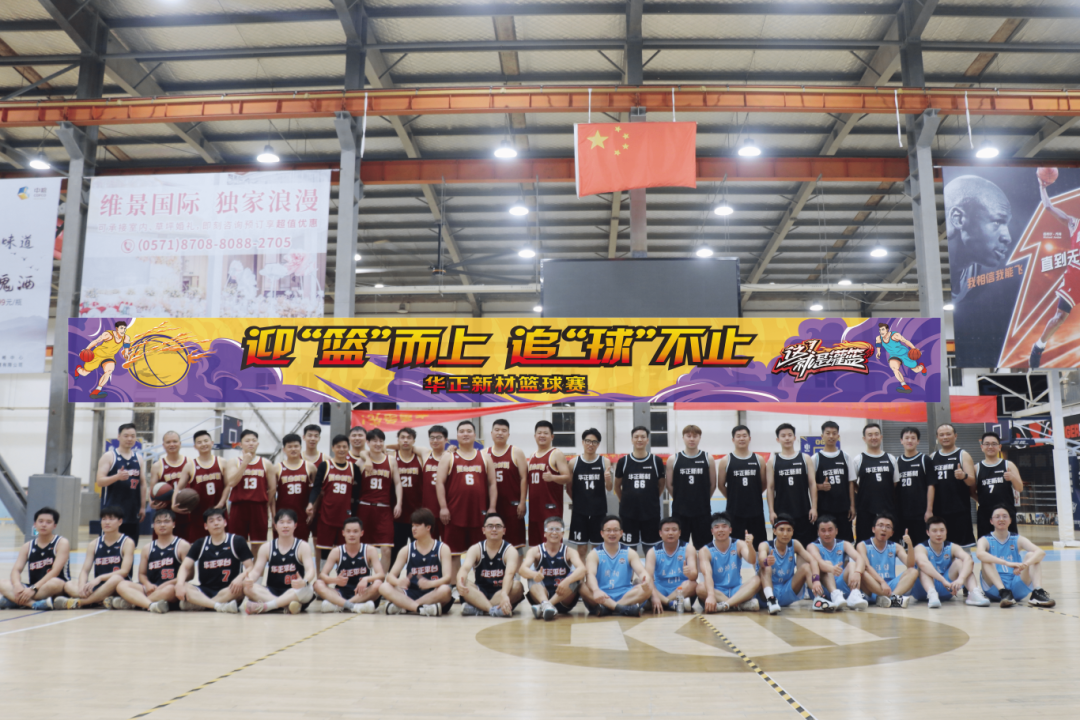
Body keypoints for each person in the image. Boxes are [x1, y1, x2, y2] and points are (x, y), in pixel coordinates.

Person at [436, 421, 497, 581]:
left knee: (480, 552)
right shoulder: (448, 456)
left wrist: (492, 508)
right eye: (462, 431)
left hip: (479, 512)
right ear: (457, 436)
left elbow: (492, 484)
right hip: (454, 513)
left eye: (469, 431)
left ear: (475, 435)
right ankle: (455, 586)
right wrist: (443, 507)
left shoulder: (485, 457)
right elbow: (439, 483)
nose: (465, 434)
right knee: (453, 553)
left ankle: (481, 585)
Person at [1030, 173, 1077, 368]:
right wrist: (1042, 187)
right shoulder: (1074, 222)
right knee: (1059, 318)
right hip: (1076, 275)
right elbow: (1048, 207)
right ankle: (1038, 346)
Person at [944, 174, 1013, 306]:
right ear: (958, 219)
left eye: (1006, 224)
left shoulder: (979, 275)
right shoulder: (925, 266)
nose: (1007, 238)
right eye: (997, 222)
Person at [175, 507, 254, 613]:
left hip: (229, 590)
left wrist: (240, 578)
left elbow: (250, 567)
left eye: (219, 519)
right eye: (211, 521)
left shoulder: (237, 541)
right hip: (204, 590)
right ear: (205, 526)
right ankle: (217, 606)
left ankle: (202, 604)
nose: (216, 523)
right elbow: (185, 567)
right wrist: (179, 584)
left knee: (243, 587)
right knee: (184, 585)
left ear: (225, 522)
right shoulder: (200, 543)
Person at [379, 508, 454, 616]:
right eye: (413, 526)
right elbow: (390, 577)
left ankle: (406, 607)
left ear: (428, 527)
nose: (413, 529)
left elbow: (447, 578)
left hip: (433, 592)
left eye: (417, 526)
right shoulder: (406, 550)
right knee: (384, 587)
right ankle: (420, 609)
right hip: (411, 592)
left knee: (445, 590)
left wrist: (430, 584)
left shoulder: (442, 548)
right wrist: (398, 582)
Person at [975, 505, 1055, 608]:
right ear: (991, 521)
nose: (1001, 519)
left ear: (1010, 520)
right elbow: (979, 554)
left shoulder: (1017, 538)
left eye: (1005, 516)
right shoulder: (985, 539)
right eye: (997, 517)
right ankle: (1003, 592)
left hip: (1016, 585)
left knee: (1032, 555)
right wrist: (1006, 563)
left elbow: (1040, 552)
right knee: (986, 558)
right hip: (994, 587)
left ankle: (1037, 592)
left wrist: (1024, 565)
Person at [113, 509, 190, 613]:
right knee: (122, 585)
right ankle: (150, 604)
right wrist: (147, 584)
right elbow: (141, 574)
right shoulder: (147, 548)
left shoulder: (182, 545)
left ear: (173, 524)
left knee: (170, 590)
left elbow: (189, 574)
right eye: (158, 522)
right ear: (153, 525)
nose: (162, 525)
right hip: (150, 589)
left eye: (166, 521)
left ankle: (135, 603)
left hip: (170, 588)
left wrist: (166, 584)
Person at [243, 509, 317, 615]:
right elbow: (256, 571)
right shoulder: (266, 547)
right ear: (275, 526)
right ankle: (285, 606)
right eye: (281, 522)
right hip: (272, 592)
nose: (285, 526)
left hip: (294, 591)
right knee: (247, 588)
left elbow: (310, 570)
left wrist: (304, 581)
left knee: (308, 588)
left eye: (289, 522)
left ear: (295, 525)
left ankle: (268, 606)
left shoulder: (303, 546)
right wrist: (250, 579)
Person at [62, 505, 134, 609]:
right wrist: (82, 587)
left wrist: (100, 578)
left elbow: (124, 572)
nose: (107, 522)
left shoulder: (127, 542)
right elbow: (85, 570)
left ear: (120, 521)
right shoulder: (94, 544)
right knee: (69, 585)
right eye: (104, 519)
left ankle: (82, 602)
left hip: (118, 585)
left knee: (116, 578)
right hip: (99, 586)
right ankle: (98, 600)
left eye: (111, 519)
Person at [0, 507, 71, 611]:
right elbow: (16, 570)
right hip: (34, 588)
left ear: (54, 525)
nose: (44, 525)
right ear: (35, 524)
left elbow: (55, 571)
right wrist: (17, 586)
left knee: (55, 583)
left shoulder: (61, 543)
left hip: (53, 587)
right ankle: (34, 604)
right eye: (40, 521)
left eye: (48, 522)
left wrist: (33, 589)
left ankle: (15, 601)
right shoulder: (27, 546)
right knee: (2, 583)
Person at [581, 515, 651, 617]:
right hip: (601, 595)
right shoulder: (594, 554)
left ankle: (610, 608)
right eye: (608, 530)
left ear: (621, 533)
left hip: (625, 595)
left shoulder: (630, 553)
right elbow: (590, 575)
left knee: (648, 588)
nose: (612, 533)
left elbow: (642, 572)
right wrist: (596, 590)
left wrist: (646, 580)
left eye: (615, 530)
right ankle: (622, 609)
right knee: (581, 586)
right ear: (602, 533)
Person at [456, 511, 524, 617]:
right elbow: (464, 569)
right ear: (483, 530)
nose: (494, 529)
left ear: (504, 530)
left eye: (498, 526)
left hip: (502, 591)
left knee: (518, 586)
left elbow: (509, 575)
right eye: (490, 526)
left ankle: (479, 609)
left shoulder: (510, 550)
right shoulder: (476, 549)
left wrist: (504, 594)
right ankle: (492, 610)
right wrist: (460, 582)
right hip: (479, 592)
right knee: (462, 581)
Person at [519, 515, 586, 620]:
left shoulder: (570, 551)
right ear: (544, 533)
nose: (554, 533)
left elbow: (582, 570)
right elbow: (522, 569)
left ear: (562, 533)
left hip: (563, 598)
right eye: (551, 529)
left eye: (558, 529)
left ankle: (546, 606)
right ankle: (546, 604)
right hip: (541, 596)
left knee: (575, 577)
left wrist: (567, 580)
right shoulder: (535, 551)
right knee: (532, 577)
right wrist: (534, 574)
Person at [913, 516, 989, 608]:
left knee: (961, 562)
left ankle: (974, 593)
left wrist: (960, 579)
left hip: (947, 588)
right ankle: (932, 594)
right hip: (923, 591)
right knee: (922, 568)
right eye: (934, 531)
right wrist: (943, 580)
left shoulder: (952, 547)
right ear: (927, 532)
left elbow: (969, 560)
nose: (939, 534)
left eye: (942, 530)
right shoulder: (920, 548)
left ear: (946, 531)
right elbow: (922, 564)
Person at [309, 434, 362, 562]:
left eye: (344, 447)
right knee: (324, 551)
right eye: (338, 447)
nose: (341, 449)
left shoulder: (353, 468)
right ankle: (323, 575)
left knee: (344, 551)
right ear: (333, 448)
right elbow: (316, 488)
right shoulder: (325, 465)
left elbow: (358, 492)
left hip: (345, 516)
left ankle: (342, 574)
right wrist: (310, 503)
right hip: (326, 515)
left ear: (348, 448)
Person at [223, 429, 278, 553]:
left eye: (254, 440)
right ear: (240, 444)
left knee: (258, 543)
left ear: (258, 443)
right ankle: (239, 566)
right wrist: (245, 463)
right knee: (237, 542)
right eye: (247, 441)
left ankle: (256, 566)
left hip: (259, 507)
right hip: (239, 506)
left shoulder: (266, 463)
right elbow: (231, 482)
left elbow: (272, 488)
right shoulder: (233, 462)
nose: (251, 443)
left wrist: (265, 504)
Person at [313, 516, 383, 614]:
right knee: (317, 584)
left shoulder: (370, 550)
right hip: (341, 593)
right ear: (343, 533)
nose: (352, 534)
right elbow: (322, 575)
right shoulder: (336, 551)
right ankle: (353, 606)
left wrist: (366, 579)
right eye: (348, 531)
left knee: (379, 584)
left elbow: (381, 574)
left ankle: (341, 605)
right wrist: (335, 580)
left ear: (362, 533)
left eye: (355, 531)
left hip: (363, 593)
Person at [613, 426, 665, 551]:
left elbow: (661, 485)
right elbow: (617, 486)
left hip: (651, 513)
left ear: (647, 440)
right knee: (628, 549)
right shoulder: (623, 461)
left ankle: (650, 567)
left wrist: (651, 499)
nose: (639, 439)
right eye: (636, 437)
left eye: (643, 437)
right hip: (628, 513)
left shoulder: (656, 461)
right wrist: (624, 500)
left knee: (652, 549)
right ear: (632, 440)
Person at [697, 512, 760, 613]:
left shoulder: (739, 544)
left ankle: (725, 605)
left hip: (736, 590)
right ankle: (738, 605)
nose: (720, 530)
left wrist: (750, 546)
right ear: (712, 531)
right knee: (700, 587)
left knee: (757, 580)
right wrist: (711, 595)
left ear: (730, 530)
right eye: (716, 527)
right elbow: (707, 574)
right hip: (717, 591)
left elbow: (751, 560)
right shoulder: (705, 550)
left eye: (724, 526)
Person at [766, 423, 818, 546]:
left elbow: (812, 484)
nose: (787, 438)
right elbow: (770, 488)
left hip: (803, 511)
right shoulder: (773, 461)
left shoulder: (805, 458)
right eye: (783, 436)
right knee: (781, 548)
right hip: (781, 512)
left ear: (795, 438)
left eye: (790, 435)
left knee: (806, 548)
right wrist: (771, 511)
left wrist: (814, 507)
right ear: (778, 439)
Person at [358, 428, 402, 571]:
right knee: (364, 549)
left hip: (384, 508)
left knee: (386, 549)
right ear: (368, 442)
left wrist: (399, 503)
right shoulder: (360, 462)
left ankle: (380, 581)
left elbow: (397, 483)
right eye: (374, 441)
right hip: (364, 507)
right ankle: (364, 578)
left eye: (381, 441)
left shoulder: (391, 460)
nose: (378, 444)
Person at [717, 425, 767, 549]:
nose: (741, 439)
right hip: (734, 512)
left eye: (744, 436)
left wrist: (753, 495)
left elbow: (764, 483)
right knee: (735, 548)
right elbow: (721, 485)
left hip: (756, 511)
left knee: (759, 547)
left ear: (749, 438)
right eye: (738, 436)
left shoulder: (759, 459)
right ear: (733, 439)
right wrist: (733, 497)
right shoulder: (726, 460)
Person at [95, 423, 147, 544]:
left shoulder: (139, 458)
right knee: (110, 545)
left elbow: (143, 484)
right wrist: (117, 477)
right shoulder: (109, 456)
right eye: (126, 435)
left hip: (133, 510)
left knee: (131, 546)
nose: (129, 439)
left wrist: (143, 506)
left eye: (133, 436)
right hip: (112, 511)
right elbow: (100, 481)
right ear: (118, 437)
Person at [666, 425, 717, 548]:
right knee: (679, 547)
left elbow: (713, 485)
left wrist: (703, 499)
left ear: (700, 438)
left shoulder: (708, 458)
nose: (692, 439)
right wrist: (680, 498)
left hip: (702, 511)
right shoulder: (673, 459)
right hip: (680, 511)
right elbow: (669, 485)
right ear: (683, 437)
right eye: (688, 436)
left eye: (695, 436)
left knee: (704, 548)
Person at [757, 515, 819, 614]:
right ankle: (771, 600)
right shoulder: (765, 545)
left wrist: (816, 580)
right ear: (774, 531)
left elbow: (813, 561)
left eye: (789, 530)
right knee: (766, 567)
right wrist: (766, 561)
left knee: (806, 567)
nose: (785, 534)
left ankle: (819, 599)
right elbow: (761, 560)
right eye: (781, 530)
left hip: (786, 590)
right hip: (767, 593)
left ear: (792, 532)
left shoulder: (794, 544)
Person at [929, 423, 977, 547]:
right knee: (940, 547)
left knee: (963, 548)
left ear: (955, 436)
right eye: (941, 435)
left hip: (959, 512)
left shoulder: (963, 455)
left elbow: (972, 481)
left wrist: (964, 476)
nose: (945, 437)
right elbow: (930, 486)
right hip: (939, 512)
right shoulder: (932, 457)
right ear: (937, 437)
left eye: (948, 434)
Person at [856, 513, 917, 609]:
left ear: (892, 533)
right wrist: (882, 582)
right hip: (872, 586)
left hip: (890, 586)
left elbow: (910, 565)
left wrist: (909, 545)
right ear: (873, 529)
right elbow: (866, 566)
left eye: (888, 527)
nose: (884, 529)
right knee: (862, 572)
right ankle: (891, 598)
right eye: (880, 525)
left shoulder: (896, 546)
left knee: (913, 571)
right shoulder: (862, 545)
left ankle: (891, 598)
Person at [174, 429, 226, 544]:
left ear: (212, 443)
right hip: (198, 515)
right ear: (195, 446)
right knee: (197, 547)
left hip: (219, 512)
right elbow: (179, 488)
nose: (203, 444)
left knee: (221, 545)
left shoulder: (222, 462)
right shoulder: (190, 465)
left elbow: (228, 486)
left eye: (206, 441)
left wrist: (221, 503)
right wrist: (174, 504)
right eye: (199, 442)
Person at [807, 515, 868, 610]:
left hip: (840, 585)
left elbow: (860, 559)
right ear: (818, 532)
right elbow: (819, 563)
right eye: (823, 530)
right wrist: (831, 569)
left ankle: (854, 594)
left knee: (852, 564)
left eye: (830, 530)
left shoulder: (844, 544)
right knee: (827, 563)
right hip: (822, 587)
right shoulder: (812, 546)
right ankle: (834, 594)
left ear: (836, 531)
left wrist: (857, 572)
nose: (827, 534)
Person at [526, 420, 572, 546]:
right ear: (535, 436)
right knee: (535, 546)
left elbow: (567, 477)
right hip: (534, 509)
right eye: (539, 433)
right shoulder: (532, 455)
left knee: (552, 545)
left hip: (550, 508)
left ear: (552, 436)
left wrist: (553, 477)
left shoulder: (556, 454)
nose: (542, 435)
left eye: (545, 433)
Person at [567, 428, 612, 555]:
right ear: (583, 442)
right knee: (581, 549)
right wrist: (579, 501)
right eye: (588, 441)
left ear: (598, 444)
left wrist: (608, 479)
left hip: (598, 511)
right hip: (579, 512)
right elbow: (569, 488)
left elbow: (609, 488)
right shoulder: (574, 462)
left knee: (597, 548)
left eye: (594, 442)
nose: (590, 444)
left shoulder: (604, 461)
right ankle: (581, 569)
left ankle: (595, 569)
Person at [485, 420, 529, 549]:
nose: (500, 433)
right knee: (492, 543)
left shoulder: (516, 452)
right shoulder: (484, 453)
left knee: (515, 544)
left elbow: (524, 478)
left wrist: (523, 502)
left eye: (504, 431)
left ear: (508, 434)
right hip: (491, 505)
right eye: (497, 430)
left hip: (512, 505)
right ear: (491, 433)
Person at [852, 423, 899, 543]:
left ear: (881, 437)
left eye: (876, 434)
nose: (874, 437)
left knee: (889, 544)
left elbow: (894, 483)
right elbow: (852, 483)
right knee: (864, 543)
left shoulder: (891, 458)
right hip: (865, 510)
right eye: (870, 435)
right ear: (864, 438)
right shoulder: (858, 459)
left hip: (888, 509)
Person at [810, 421, 855, 542]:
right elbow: (810, 484)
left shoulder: (845, 456)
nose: (831, 436)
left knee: (845, 541)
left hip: (843, 509)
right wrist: (820, 486)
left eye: (834, 433)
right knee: (825, 540)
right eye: (828, 433)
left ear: (838, 436)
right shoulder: (815, 458)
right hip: (824, 509)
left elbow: (850, 483)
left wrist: (852, 505)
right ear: (822, 436)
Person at [646, 517, 698, 613]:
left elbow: (694, 576)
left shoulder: (688, 548)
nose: (670, 533)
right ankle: (672, 604)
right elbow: (648, 578)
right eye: (667, 530)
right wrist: (655, 595)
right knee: (642, 583)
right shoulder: (652, 552)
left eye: (674, 530)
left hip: (681, 589)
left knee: (693, 585)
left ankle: (664, 603)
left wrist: (689, 574)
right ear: (660, 533)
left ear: (679, 533)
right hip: (661, 589)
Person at [975, 432, 1022, 538]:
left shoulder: (1008, 465)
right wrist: (983, 500)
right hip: (985, 514)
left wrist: (1012, 478)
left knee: (1010, 543)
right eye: (987, 444)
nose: (990, 447)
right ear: (982, 447)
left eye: (994, 444)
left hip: (1006, 513)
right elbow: (971, 491)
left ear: (999, 447)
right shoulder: (976, 468)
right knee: (986, 544)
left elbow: (1019, 488)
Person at [150, 430, 192, 541]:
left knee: (185, 546)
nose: (172, 444)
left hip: (184, 511)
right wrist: (151, 502)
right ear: (163, 445)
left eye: (175, 441)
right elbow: (152, 491)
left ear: (180, 443)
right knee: (161, 545)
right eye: (168, 442)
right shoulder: (157, 465)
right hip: (165, 512)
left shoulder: (189, 462)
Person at [74, 319, 133, 397]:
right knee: (84, 373)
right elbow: (96, 341)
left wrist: (126, 353)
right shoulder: (108, 334)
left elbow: (126, 346)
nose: (123, 330)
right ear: (116, 328)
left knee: (109, 370)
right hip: (97, 354)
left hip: (109, 357)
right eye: (121, 328)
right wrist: (87, 349)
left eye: (124, 328)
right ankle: (78, 369)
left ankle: (97, 390)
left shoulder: (126, 338)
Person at [896, 426, 933, 547]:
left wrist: (929, 510)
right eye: (906, 438)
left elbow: (931, 486)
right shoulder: (896, 461)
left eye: (913, 438)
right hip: (902, 514)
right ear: (901, 441)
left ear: (918, 441)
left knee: (921, 547)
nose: (909, 440)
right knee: (905, 548)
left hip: (920, 514)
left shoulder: (925, 460)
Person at [275, 433, 315, 543]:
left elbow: (316, 491)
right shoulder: (277, 468)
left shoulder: (310, 467)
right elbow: (272, 494)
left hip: (302, 515)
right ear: (284, 449)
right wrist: (273, 514)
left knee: (301, 545)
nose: (293, 449)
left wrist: (313, 510)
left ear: (301, 448)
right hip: (282, 514)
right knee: (281, 545)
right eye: (290, 447)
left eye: (296, 446)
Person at [392, 428, 425, 559]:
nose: (405, 440)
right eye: (402, 437)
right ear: (398, 440)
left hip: (417, 514)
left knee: (418, 552)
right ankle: (394, 573)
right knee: (396, 552)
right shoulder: (391, 457)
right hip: (396, 514)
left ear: (414, 441)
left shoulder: (420, 458)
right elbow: (371, 450)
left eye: (409, 438)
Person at [874, 322, 927, 394]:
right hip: (894, 355)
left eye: (883, 329)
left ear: (887, 329)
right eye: (880, 330)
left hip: (904, 353)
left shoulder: (895, 335)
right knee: (894, 368)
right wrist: (878, 352)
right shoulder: (878, 338)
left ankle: (922, 366)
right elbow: (878, 344)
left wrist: (914, 348)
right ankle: (905, 386)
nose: (881, 331)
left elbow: (905, 341)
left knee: (916, 370)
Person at [421, 425, 451, 539]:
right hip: (428, 509)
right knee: (429, 543)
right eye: (432, 438)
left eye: (439, 437)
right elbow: (404, 445)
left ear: (446, 439)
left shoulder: (451, 456)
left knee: (447, 543)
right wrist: (384, 447)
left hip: (447, 509)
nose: (435, 440)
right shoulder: (425, 454)